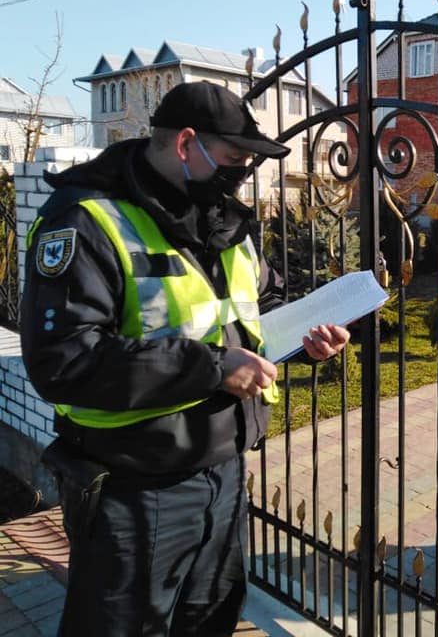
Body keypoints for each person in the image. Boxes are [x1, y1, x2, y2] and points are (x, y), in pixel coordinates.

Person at [20, 81, 350, 635]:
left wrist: (304, 338)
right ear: (185, 144)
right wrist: (213, 368)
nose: (243, 172)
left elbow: (259, 302)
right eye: (234, 159)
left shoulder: (220, 218)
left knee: (209, 620)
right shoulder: (85, 220)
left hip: (222, 475)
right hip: (132, 487)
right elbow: (65, 360)